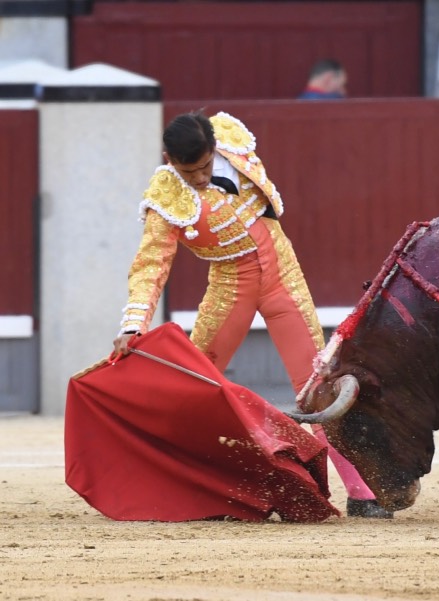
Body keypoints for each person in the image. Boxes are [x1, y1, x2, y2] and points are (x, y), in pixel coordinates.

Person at [113, 110, 392, 519]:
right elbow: (151, 264)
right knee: (196, 382)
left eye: (206, 166)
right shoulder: (165, 195)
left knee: (318, 381)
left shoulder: (231, 139)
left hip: (283, 273)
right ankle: (198, 485)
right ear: (170, 160)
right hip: (231, 286)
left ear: (215, 148)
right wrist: (133, 324)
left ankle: (361, 491)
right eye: (190, 172)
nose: (201, 178)